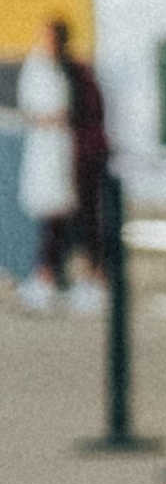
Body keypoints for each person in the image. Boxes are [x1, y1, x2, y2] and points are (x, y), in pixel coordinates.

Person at [14, 17, 90, 313]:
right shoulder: (37, 69)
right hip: (46, 152)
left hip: (64, 152)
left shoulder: (71, 70)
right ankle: (46, 276)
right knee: (50, 216)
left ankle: (60, 276)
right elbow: (34, 109)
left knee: (65, 217)